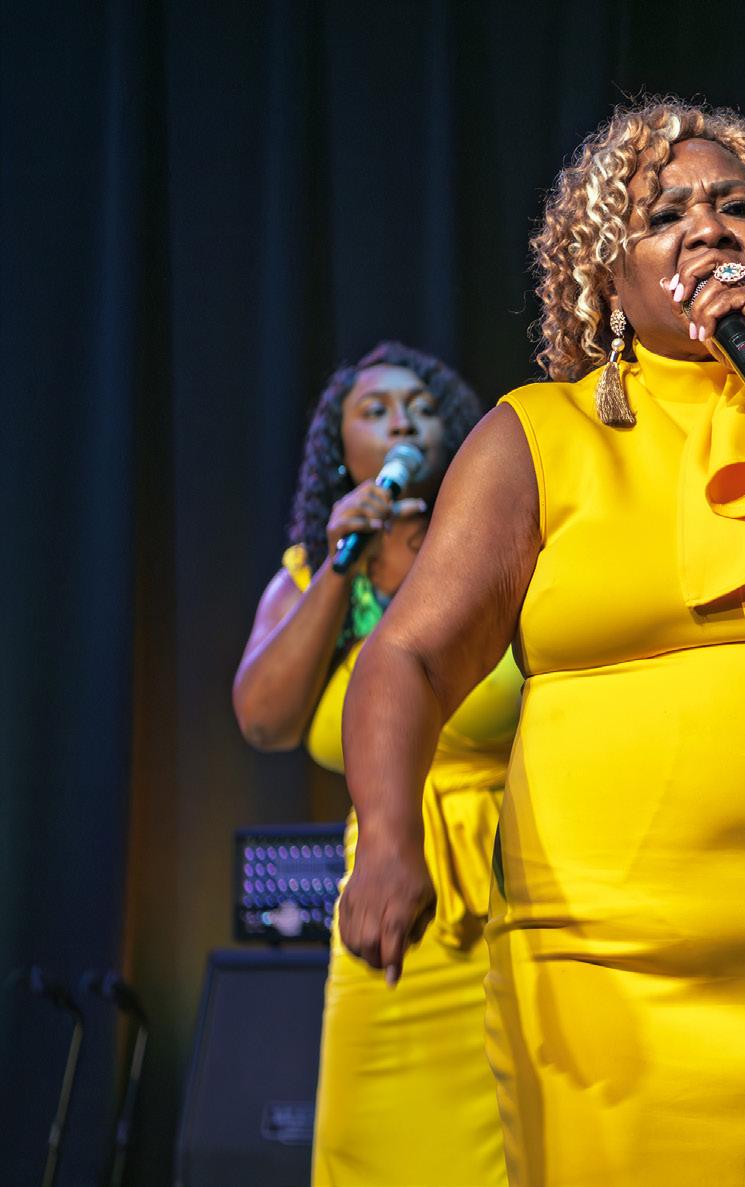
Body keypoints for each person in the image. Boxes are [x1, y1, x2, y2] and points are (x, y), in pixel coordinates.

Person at [331, 99, 745, 1185]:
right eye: (664, 216)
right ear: (609, 280)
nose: (707, 229)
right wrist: (386, 838)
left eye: (738, 207)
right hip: (601, 972)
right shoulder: (539, 434)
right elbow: (406, 655)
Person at [232, 343, 514, 1186]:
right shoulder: (311, 575)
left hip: (516, 885)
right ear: (339, 449)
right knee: (370, 1148)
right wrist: (339, 563)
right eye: (376, 409)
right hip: (386, 898)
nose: (402, 422)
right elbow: (264, 720)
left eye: (421, 408)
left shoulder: (493, 551)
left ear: (453, 434)